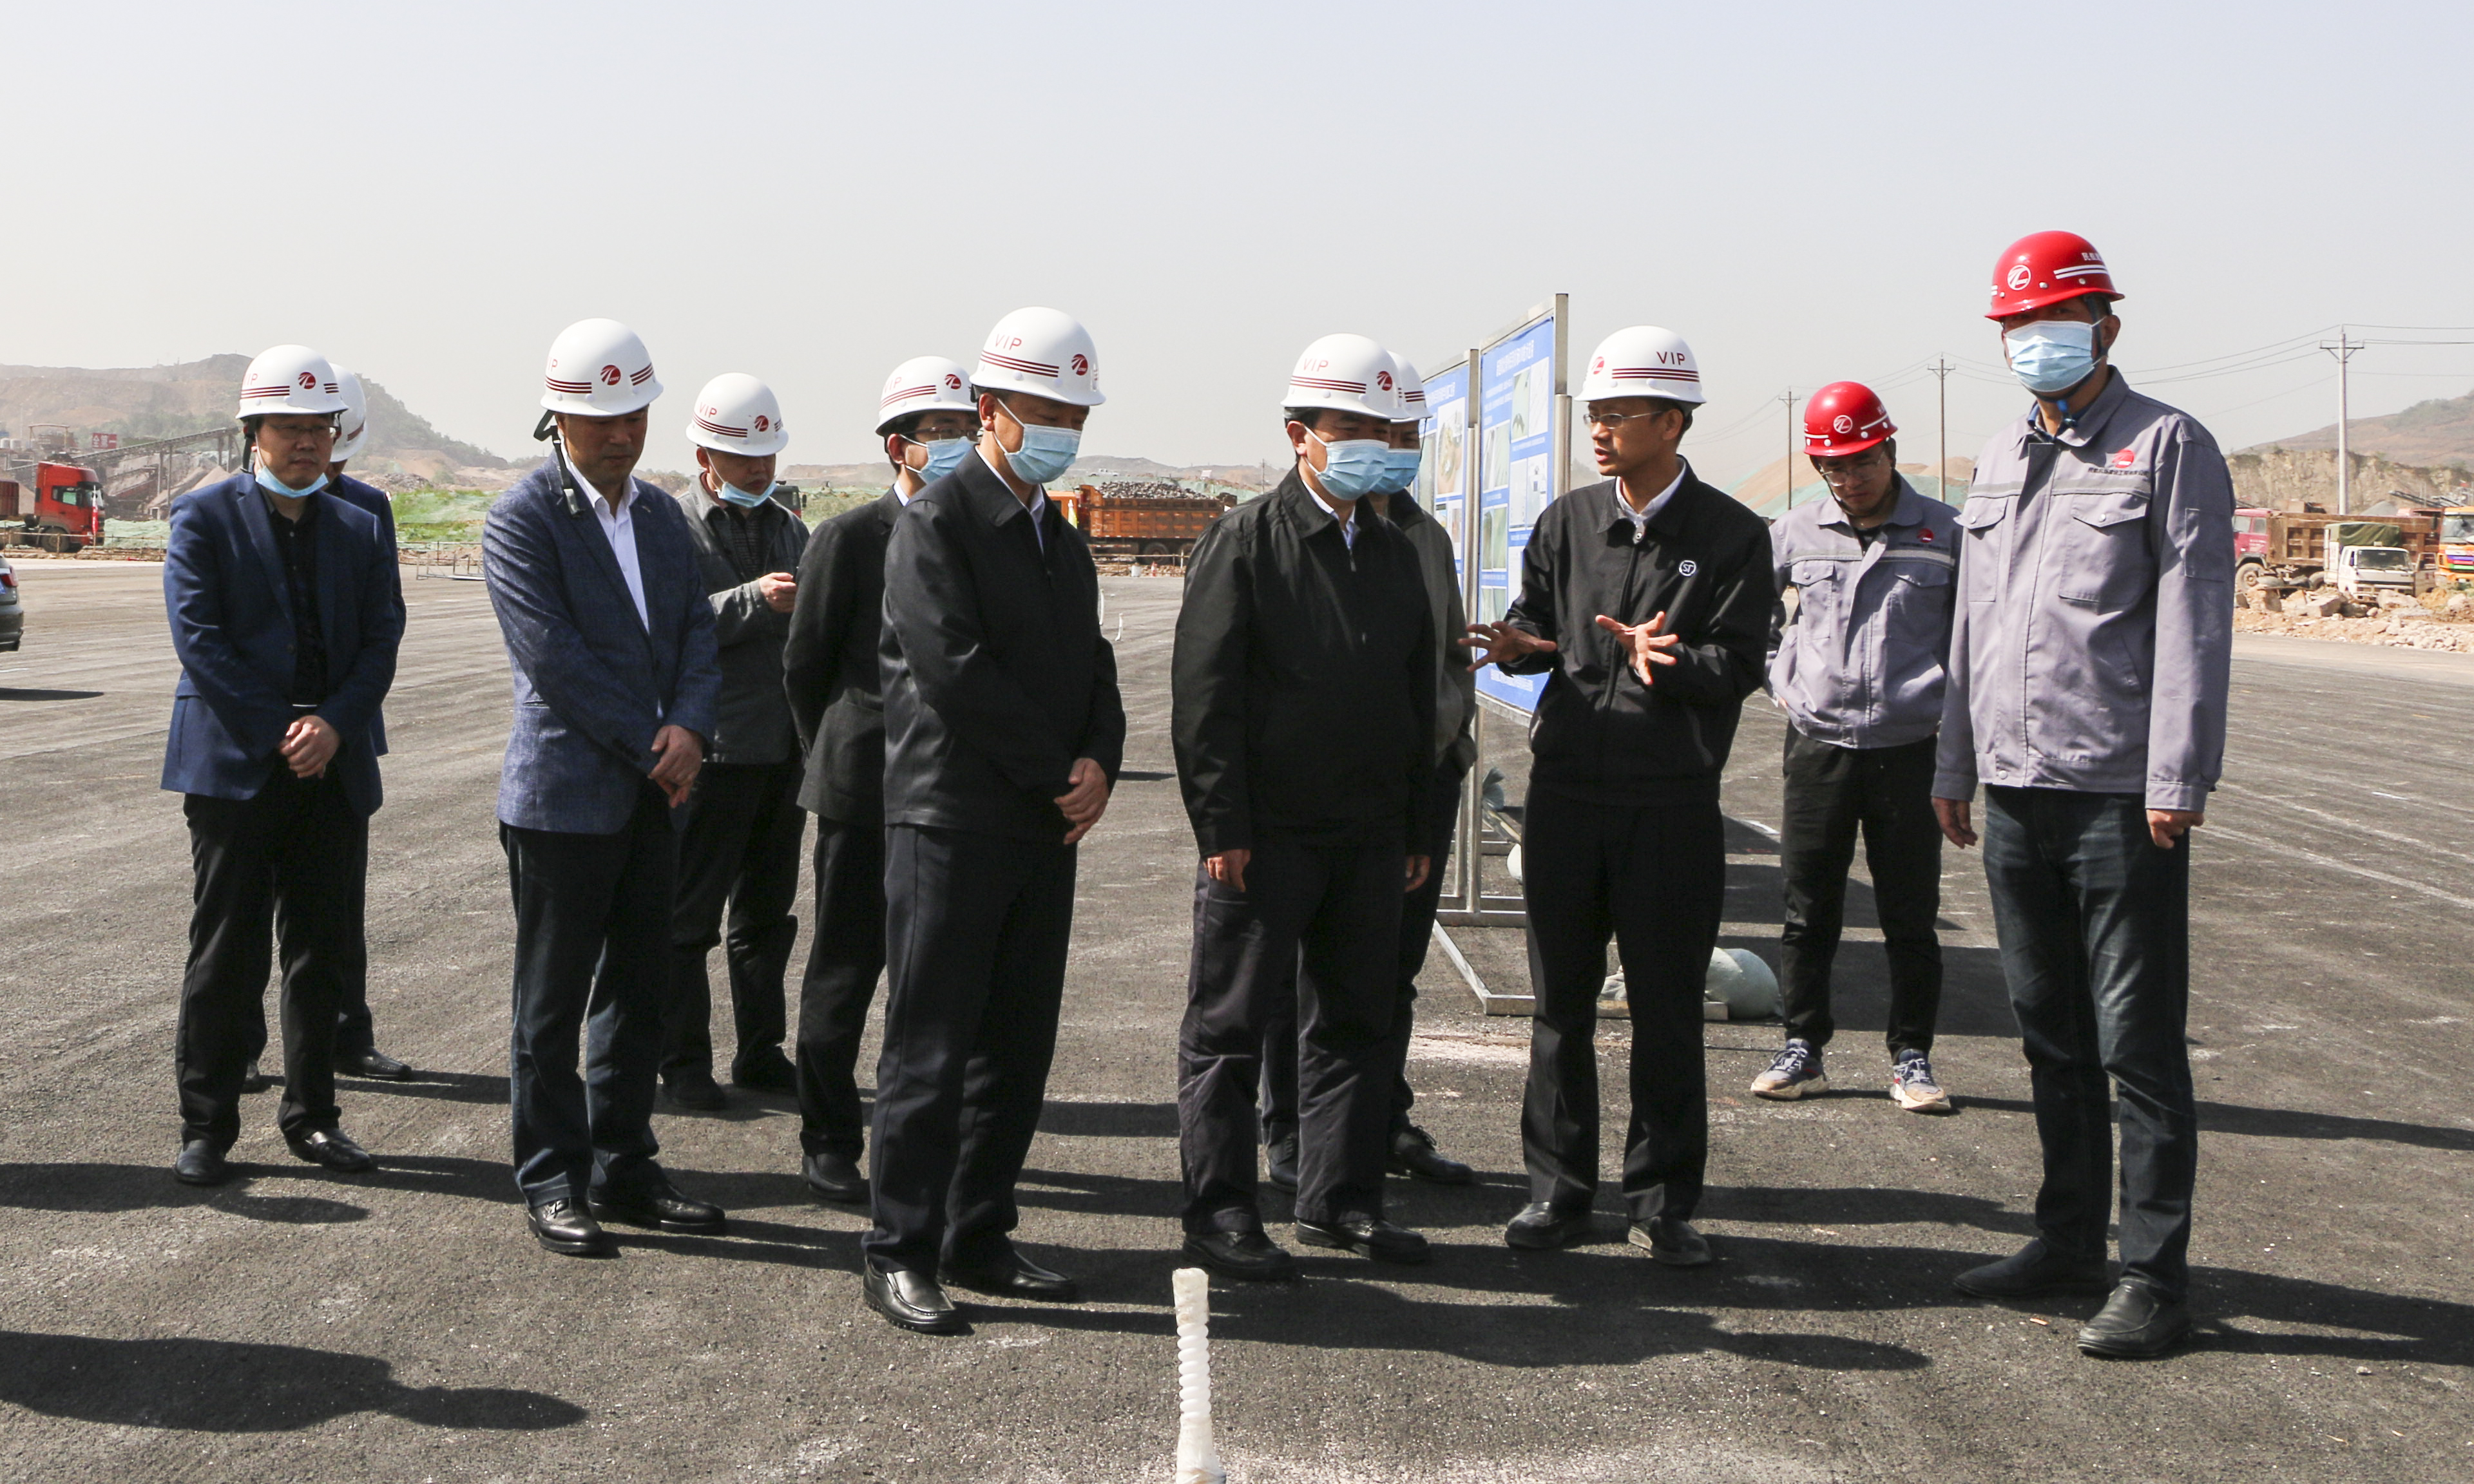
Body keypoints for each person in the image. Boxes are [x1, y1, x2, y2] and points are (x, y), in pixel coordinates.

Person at [1933, 233, 2234, 1358]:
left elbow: (2196, 618)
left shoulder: (2166, 444)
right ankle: (2066, 1241)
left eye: (2053, 321)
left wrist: (2177, 773)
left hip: (2118, 794)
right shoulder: (2000, 455)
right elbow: (1972, 624)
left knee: (2136, 1046)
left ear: (2105, 324)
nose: (2032, 341)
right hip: (2014, 790)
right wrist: (1954, 763)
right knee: (2049, 1035)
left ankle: (2153, 1277)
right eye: (2016, 325)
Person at [1462, 325, 1769, 1264]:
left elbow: (1740, 665)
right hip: (1566, 799)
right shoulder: (1567, 522)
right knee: (1560, 1008)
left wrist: (1670, 661)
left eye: (1618, 415)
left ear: (1672, 423)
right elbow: (1539, 625)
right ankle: (1557, 1193)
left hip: (1670, 807)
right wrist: (1521, 646)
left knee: (1667, 1012)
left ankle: (1663, 1205)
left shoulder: (1731, 535)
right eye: (1593, 415)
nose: (1598, 431)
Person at [862, 308, 1125, 1333]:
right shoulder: (938, 522)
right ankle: (899, 1249)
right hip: (952, 821)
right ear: (989, 408)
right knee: (930, 1047)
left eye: (1076, 415)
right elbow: (953, 669)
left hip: (1040, 826)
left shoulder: (1058, 536)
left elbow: (1093, 665)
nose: (1062, 429)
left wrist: (1100, 760)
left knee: (1015, 1050)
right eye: (1044, 409)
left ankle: (979, 1232)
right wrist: (1057, 770)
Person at [1173, 333, 1439, 1282]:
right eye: (1353, 427)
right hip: (1267, 838)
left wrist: (1418, 829)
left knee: (1358, 1025)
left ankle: (1341, 1198)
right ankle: (1221, 1211)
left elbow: (1416, 701)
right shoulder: (1246, 541)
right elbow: (1206, 697)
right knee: (1230, 1032)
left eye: (1388, 429)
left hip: (1369, 838)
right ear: (1301, 435)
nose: (1375, 445)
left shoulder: (1395, 552)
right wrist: (1222, 826)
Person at [483, 318, 727, 1257]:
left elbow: (696, 632)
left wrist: (692, 728)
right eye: (602, 419)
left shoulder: (661, 517)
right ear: (559, 418)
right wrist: (654, 744)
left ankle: (627, 1165)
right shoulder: (522, 518)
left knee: (639, 989)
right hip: (566, 798)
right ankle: (553, 1177)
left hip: (655, 793)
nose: (622, 434)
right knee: (550, 1004)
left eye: (635, 416)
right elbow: (554, 658)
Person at [161, 345, 404, 1186]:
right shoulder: (204, 518)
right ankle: (207, 1126)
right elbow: (201, 641)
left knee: (320, 952)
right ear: (252, 432)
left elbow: (382, 638)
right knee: (226, 953)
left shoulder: (359, 526)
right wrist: (282, 732)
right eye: (287, 427)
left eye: (318, 428)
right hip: (237, 765)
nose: (305, 442)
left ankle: (314, 1118)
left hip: (332, 768)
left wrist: (333, 725)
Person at [1254, 350, 1475, 1192]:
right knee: (1301, 975)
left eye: (1410, 435)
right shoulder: (1276, 535)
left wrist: (1444, 748)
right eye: (1386, 432)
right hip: (1318, 794)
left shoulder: (1426, 539)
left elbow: (1448, 658)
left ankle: (1381, 1121)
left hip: (1415, 788)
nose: (1396, 449)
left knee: (1391, 970)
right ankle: (1291, 1130)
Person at [785, 356, 978, 1204]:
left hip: (950, 794)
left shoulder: (978, 536)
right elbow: (806, 666)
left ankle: (919, 1140)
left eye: (969, 430)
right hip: (863, 790)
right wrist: (834, 757)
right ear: (900, 447)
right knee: (845, 968)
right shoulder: (850, 538)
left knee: (934, 980)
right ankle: (828, 1137)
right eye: (944, 433)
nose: (962, 445)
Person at [1756, 381, 1959, 1111]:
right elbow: (1749, 614)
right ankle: (1802, 1047)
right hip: (1820, 746)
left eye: (1863, 462)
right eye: (1834, 467)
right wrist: (1780, 677)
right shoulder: (1795, 532)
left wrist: (1950, 708)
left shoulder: (1948, 533)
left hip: (1910, 748)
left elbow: (1978, 633)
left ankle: (1912, 1057)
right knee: (1808, 907)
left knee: (1910, 913)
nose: (1850, 479)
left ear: (1890, 452)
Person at [661, 374, 809, 1110]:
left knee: (766, 919)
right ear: (704, 455)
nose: (758, 469)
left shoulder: (790, 528)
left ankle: (761, 1052)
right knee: (688, 920)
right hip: (712, 754)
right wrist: (754, 600)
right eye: (742, 456)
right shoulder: (672, 527)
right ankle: (684, 1063)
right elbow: (666, 623)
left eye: (766, 456)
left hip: (782, 753)